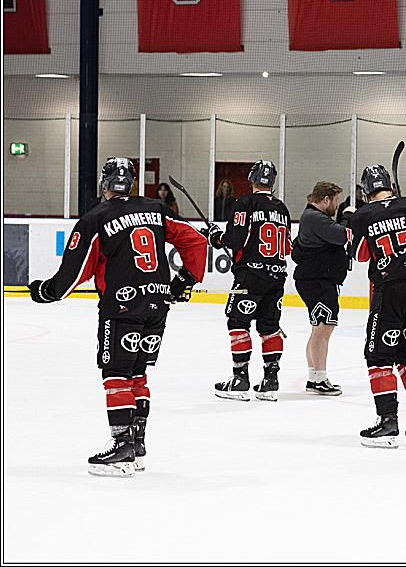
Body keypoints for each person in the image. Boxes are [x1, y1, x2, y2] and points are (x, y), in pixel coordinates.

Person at [29, 158, 208, 477]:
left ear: (104, 183)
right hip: (158, 303)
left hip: (122, 306)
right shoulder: (156, 208)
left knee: (116, 372)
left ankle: (123, 448)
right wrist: (183, 280)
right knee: (137, 372)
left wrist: (46, 291)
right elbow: (195, 240)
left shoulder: (96, 217)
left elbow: (73, 273)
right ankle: (137, 446)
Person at [346, 164, 406, 447]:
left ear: (366, 192)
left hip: (389, 290)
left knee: (378, 357)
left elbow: (360, 255)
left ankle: (388, 422)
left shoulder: (363, 214)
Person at [208, 160, 292, 402]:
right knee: (269, 327)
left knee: (237, 321)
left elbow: (235, 238)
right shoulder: (282, 208)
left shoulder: (244, 203)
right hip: (276, 275)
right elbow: (285, 246)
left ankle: (240, 378)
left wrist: (216, 238)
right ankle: (270, 381)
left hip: (251, 276)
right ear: (273, 182)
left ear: (251, 179)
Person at [292, 181, 350, 396]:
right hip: (318, 281)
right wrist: (348, 216)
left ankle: (314, 377)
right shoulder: (315, 217)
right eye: (335, 201)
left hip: (318, 280)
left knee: (319, 328)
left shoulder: (314, 218)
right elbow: (342, 235)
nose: (336, 205)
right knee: (324, 328)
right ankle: (319, 379)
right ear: (325, 200)